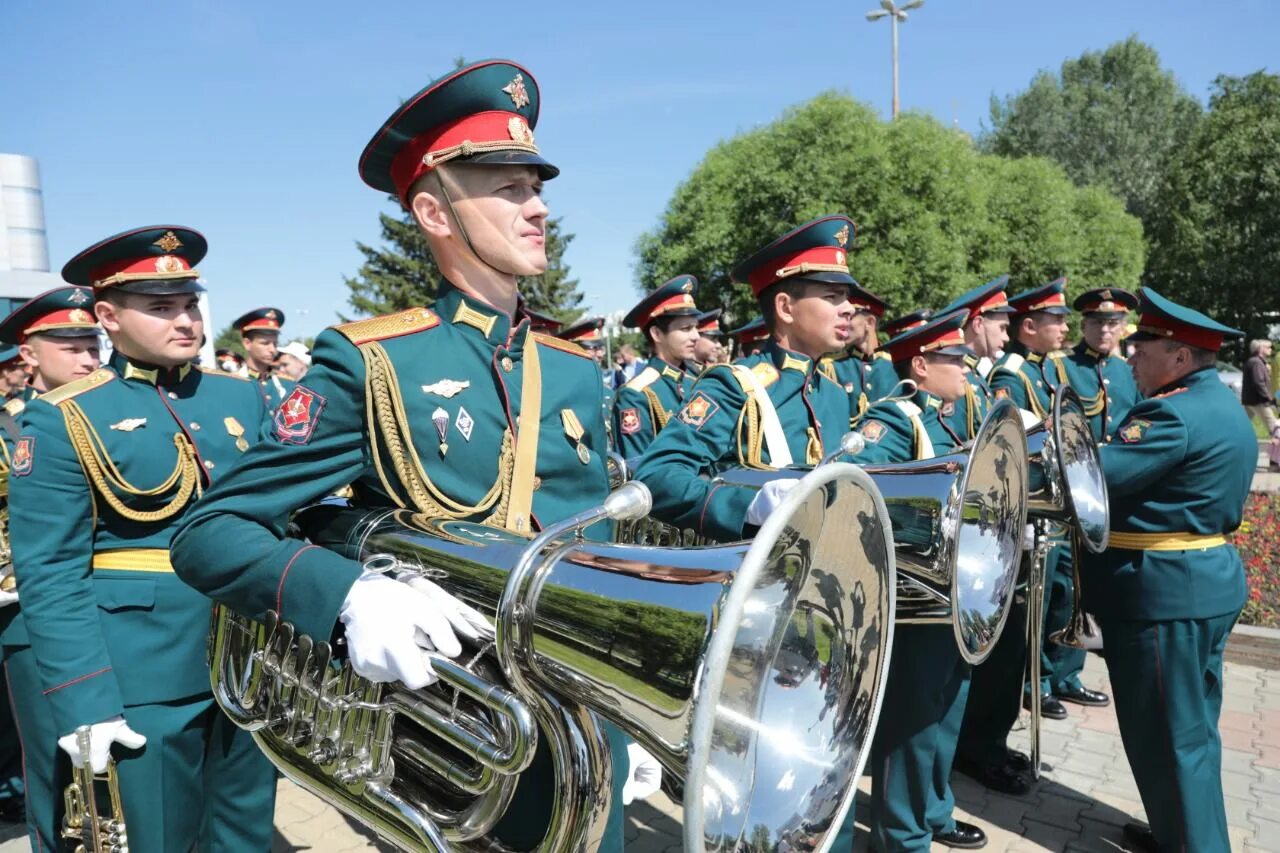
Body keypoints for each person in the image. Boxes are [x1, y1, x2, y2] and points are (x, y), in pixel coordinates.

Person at [169, 60, 637, 850]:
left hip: (589, 721)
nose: (539, 207)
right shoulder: (374, 360)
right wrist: (346, 597)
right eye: (509, 188)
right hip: (459, 740)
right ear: (435, 210)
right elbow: (210, 531)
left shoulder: (575, 367)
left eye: (538, 186)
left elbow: (595, 537)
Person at [8, 226, 277, 851]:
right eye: (160, 307)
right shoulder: (62, 416)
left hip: (250, 655)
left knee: (243, 835)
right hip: (141, 675)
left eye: (188, 303)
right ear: (109, 316)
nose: (184, 320)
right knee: (159, 837)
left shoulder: (243, 398)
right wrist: (85, 702)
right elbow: (51, 571)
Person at [1085, 288, 1255, 853]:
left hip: (1165, 596)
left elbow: (1094, 477)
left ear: (1179, 357)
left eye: (1143, 346)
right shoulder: (1216, 403)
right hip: (1199, 586)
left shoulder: (1170, 412)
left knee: (1168, 738)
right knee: (1192, 732)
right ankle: (1181, 832)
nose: (1131, 355)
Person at [833, 309, 988, 852]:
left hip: (955, 590)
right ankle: (902, 836)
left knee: (947, 710)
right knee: (914, 722)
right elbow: (862, 491)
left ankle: (934, 813)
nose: (965, 368)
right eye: (954, 359)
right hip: (915, 594)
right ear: (920, 365)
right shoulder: (895, 419)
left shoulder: (949, 417)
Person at [633, 215, 855, 541]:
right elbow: (657, 475)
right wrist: (747, 506)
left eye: (846, 296)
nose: (848, 308)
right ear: (785, 308)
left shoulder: (833, 392)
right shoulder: (735, 386)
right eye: (832, 297)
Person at [0, 286, 102, 834]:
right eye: (71, 346)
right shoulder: (14, 426)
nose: (88, 358)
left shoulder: (115, 416)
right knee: (59, 774)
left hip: (113, 606)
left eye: (93, 343)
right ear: (29, 355)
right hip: (31, 610)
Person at [939, 277, 1036, 797]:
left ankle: (981, 743)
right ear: (977, 324)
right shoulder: (966, 385)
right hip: (966, 538)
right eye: (1000, 322)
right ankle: (972, 749)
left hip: (993, 531)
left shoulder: (981, 383)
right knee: (975, 655)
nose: (1008, 332)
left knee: (1002, 650)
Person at [1039, 288, 1142, 713]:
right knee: (1059, 586)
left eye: (1113, 323)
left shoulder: (1127, 370)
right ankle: (1040, 678)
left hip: (1107, 493)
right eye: (1098, 322)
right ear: (1084, 325)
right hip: (1067, 491)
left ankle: (1069, 673)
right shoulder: (1059, 366)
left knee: (1089, 588)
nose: (1105, 329)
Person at [990, 277, 1075, 723]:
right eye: (1055, 320)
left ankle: (1043, 675)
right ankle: (1030, 681)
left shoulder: (1045, 369)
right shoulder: (1010, 374)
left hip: (1055, 501)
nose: (1064, 328)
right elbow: (1017, 439)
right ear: (1028, 327)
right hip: (1031, 501)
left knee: (1056, 594)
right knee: (1029, 604)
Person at [611, 276, 701, 459]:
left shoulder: (697, 377)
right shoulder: (636, 395)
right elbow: (637, 468)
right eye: (686, 329)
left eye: (696, 327)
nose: (696, 336)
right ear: (657, 334)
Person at [827, 278, 893, 415]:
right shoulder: (832, 368)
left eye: (850, 317)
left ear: (869, 322)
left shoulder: (896, 367)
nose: (843, 322)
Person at [234, 306, 295, 409]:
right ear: (247, 343)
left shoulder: (288, 384)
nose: (272, 349)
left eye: (275, 343)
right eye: (265, 343)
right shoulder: (234, 384)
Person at [557, 316, 613, 418]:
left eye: (601, 348)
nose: (600, 354)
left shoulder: (608, 392)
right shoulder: (563, 393)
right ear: (574, 349)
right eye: (593, 348)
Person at [1243, 338, 1279, 470]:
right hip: (1259, 402)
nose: (1270, 349)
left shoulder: (1254, 362)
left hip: (1251, 401)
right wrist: (1270, 398)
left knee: (1243, 428)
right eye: (1268, 347)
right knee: (1276, 431)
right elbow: (1259, 383)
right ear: (1260, 349)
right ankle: (1275, 463)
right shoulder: (1257, 363)